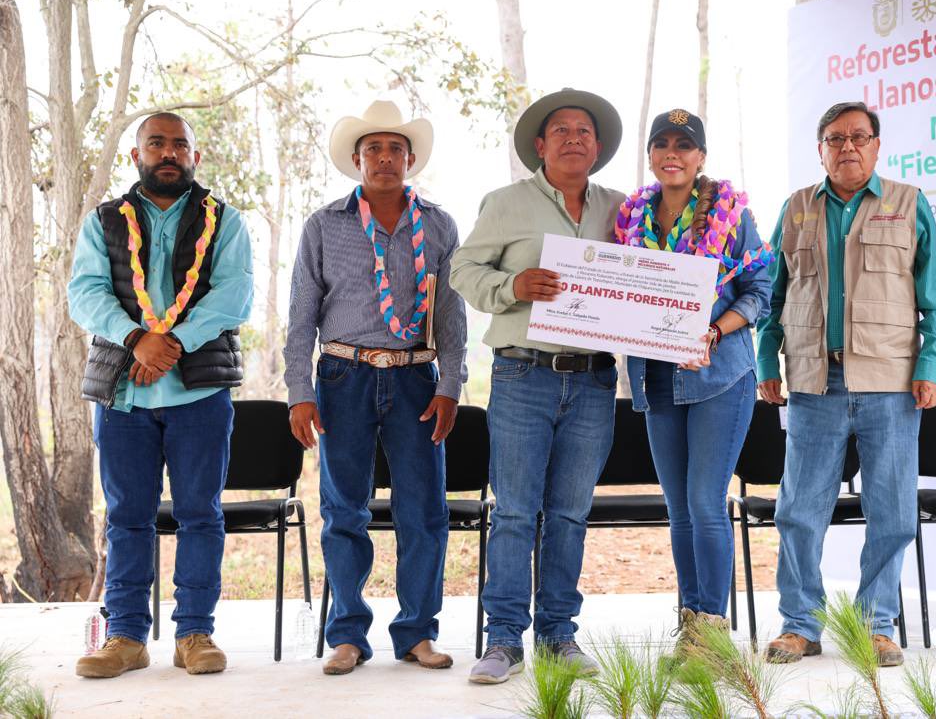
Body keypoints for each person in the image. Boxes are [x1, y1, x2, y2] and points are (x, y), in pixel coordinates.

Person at [757, 101, 936, 667]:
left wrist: (931, 366)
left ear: (876, 145)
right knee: (799, 510)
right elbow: (775, 297)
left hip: (890, 382)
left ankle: (877, 625)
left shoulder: (909, 204)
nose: (848, 147)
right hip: (814, 383)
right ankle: (800, 625)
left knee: (891, 509)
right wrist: (768, 361)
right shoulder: (796, 209)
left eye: (859, 137)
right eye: (835, 138)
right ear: (820, 148)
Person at [284, 100, 467, 675]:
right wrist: (299, 391)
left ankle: (417, 633)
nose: (385, 159)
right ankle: (348, 636)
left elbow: (452, 313)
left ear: (410, 158)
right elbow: (301, 314)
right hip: (344, 375)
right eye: (373, 150)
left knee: (424, 509)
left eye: (395, 150)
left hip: (416, 376)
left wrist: (452, 384)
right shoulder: (324, 224)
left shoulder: (437, 224)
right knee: (343, 509)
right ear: (357, 160)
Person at [69, 112, 253, 678]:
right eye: (157, 143)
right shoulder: (104, 220)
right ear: (137, 156)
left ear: (195, 157)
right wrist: (136, 342)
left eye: (180, 145)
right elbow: (85, 292)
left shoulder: (225, 221)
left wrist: (169, 343)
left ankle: (195, 633)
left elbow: (234, 293)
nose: (169, 153)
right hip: (124, 396)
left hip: (199, 394)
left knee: (201, 514)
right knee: (127, 518)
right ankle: (125, 638)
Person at [451, 88, 626, 684]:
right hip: (523, 374)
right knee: (516, 514)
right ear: (539, 145)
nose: (574, 138)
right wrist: (514, 286)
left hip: (595, 380)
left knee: (571, 514)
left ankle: (557, 635)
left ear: (598, 147)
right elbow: (462, 270)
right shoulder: (505, 203)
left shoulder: (623, 210)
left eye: (584, 131)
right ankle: (502, 641)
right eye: (561, 130)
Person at [614, 109, 773, 652]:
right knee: (678, 507)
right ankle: (692, 621)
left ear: (701, 156)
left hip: (719, 375)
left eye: (684, 144)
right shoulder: (630, 219)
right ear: (651, 154)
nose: (672, 153)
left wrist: (714, 330)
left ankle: (712, 627)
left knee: (706, 501)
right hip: (656, 376)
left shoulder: (732, 215)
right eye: (662, 144)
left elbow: (760, 289)